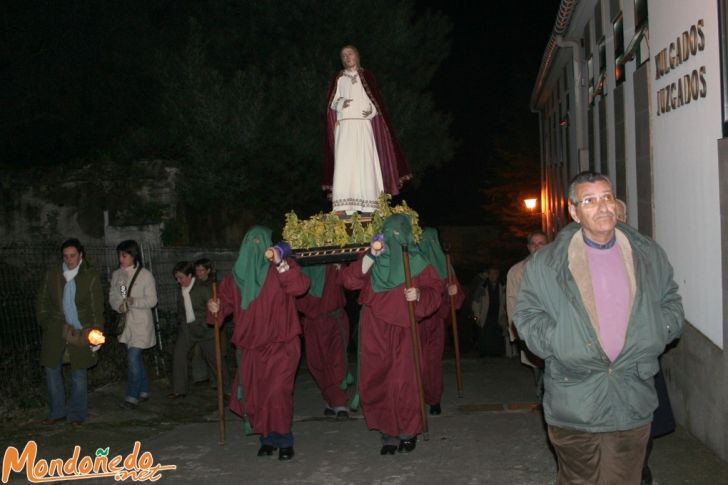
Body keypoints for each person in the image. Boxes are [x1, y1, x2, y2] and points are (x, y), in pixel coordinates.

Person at [514, 171, 684, 484]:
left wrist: (657, 330)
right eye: (590, 200)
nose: (602, 206)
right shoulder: (549, 262)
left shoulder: (648, 254)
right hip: (574, 398)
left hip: (632, 394)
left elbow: (671, 300)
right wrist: (559, 342)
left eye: (606, 197)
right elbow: (526, 315)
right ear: (574, 211)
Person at [341, 214, 444, 455]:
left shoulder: (417, 260)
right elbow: (348, 281)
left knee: (405, 380)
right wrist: (369, 257)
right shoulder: (371, 258)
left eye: (398, 233)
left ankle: (408, 430)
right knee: (378, 378)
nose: (392, 238)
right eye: (388, 232)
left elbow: (435, 292)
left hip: (405, 328)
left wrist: (419, 295)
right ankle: (388, 431)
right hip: (375, 327)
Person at [207, 226, 309, 461]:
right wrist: (216, 308)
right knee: (258, 394)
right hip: (250, 346)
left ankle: (284, 439)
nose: (255, 247)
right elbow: (223, 305)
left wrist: (281, 263)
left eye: (260, 242)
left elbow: (300, 287)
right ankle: (266, 438)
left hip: (281, 343)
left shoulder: (281, 267)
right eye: (250, 242)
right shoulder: (236, 277)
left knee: (278, 392)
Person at [323, 44, 411, 215]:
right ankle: (343, 206)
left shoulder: (367, 76)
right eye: (343, 55)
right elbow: (331, 102)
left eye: (350, 54)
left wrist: (371, 110)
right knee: (345, 163)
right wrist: (340, 103)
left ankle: (370, 205)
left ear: (357, 56)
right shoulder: (339, 79)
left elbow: (376, 101)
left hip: (363, 125)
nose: (347, 57)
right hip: (345, 126)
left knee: (366, 161)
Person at [36, 238, 104, 426]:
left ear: (81, 254)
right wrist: (46, 321)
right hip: (56, 328)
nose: (69, 260)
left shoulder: (90, 276)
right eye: (65, 256)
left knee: (79, 372)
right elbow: (42, 300)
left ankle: (77, 414)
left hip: (81, 330)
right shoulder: (53, 274)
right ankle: (57, 411)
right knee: (51, 369)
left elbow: (96, 309)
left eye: (73, 255)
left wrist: (96, 334)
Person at [417, 227, 464, 415]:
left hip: (435, 322)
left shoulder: (445, 266)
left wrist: (453, 294)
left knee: (432, 361)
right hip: (416, 321)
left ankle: (434, 399)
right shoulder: (414, 265)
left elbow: (457, 299)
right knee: (416, 361)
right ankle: (417, 397)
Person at [296, 264, 351, 418]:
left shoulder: (333, 261)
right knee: (317, 364)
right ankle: (330, 398)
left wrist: (340, 268)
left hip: (334, 319)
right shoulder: (301, 265)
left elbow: (349, 280)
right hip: (313, 323)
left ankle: (339, 402)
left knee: (337, 361)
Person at [109, 239, 158, 409]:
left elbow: (152, 300)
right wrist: (119, 305)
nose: (121, 258)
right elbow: (114, 296)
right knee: (136, 359)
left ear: (133, 255)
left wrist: (133, 301)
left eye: (124, 255)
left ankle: (132, 396)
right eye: (119, 255)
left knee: (133, 358)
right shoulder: (117, 275)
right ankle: (144, 390)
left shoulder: (145, 275)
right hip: (126, 324)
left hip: (141, 324)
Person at [170, 261, 226, 399]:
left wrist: (207, 322)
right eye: (177, 278)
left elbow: (213, 309)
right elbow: (181, 311)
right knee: (179, 355)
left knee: (215, 360)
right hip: (187, 330)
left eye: (181, 277)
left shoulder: (202, 288)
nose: (178, 281)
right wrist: (182, 324)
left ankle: (227, 389)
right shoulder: (181, 290)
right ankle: (179, 390)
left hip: (205, 330)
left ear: (189, 275)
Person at [506, 230, 548, 401]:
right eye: (534, 244)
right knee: (538, 363)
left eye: (541, 243)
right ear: (528, 247)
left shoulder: (559, 266)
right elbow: (512, 301)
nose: (537, 247)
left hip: (555, 325)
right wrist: (515, 331)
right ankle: (542, 395)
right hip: (531, 326)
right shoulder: (516, 272)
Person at [471, 264, 507, 357]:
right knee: (485, 339)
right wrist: (477, 316)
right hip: (485, 317)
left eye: (494, 273)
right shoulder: (482, 287)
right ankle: (485, 356)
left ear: (498, 274)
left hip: (498, 317)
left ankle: (497, 356)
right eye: (490, 273)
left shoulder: (503, 287)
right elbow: (476, 302)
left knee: (497, 338)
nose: (492, 276)